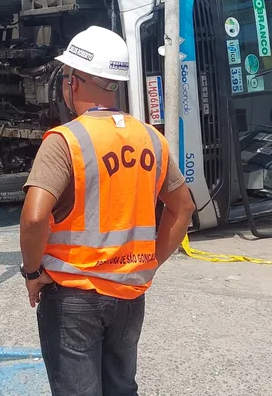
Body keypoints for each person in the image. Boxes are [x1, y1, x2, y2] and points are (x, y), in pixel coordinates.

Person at [19, 26, 196, 396]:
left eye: (65, 77)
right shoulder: (151, 138)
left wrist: (34, 272)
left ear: (76, 82)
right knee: (121, 389)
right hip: (129, 297)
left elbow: (35, 217)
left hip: (73, 296)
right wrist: (148, 262)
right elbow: (182, 209)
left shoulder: (65, 141)